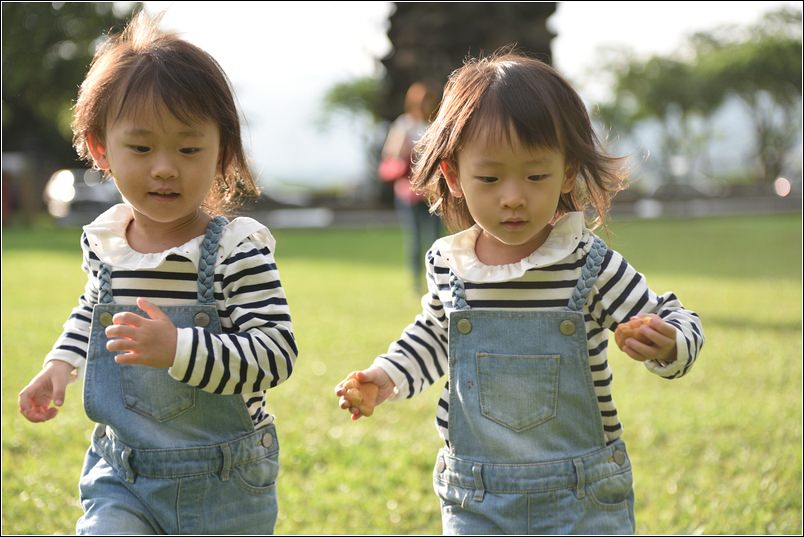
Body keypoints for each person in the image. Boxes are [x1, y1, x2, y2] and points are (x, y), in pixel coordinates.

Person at [336, 50, 704, 535]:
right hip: (477, 495)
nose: (513, 196)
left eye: (535, 176)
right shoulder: (452, 265)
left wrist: (669, 342)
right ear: (453, 176)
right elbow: (430, 337)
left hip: (581, 496)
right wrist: (385, 378)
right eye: (489, 178)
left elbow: (675, 319)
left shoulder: (586, 264)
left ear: (567, 172)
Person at [18, 11, 297, 535]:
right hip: (123, 472)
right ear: (102, 149)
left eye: (189, 149)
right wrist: (60, 365)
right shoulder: (108, 243)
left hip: (223, 483)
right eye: (141, 148)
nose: (165, 167)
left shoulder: (236, 251)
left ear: (222, 154)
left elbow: (276, 355)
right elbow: (93, 314)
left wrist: (179, 349)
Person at [378, 81, 443, 292]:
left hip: (432, 192)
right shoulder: (404, 124)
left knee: (435, 239)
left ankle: (436, 279)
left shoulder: (435, 124)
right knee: (415, 239)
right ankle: (416, 283)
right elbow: (392, 154)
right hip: (409, 192)